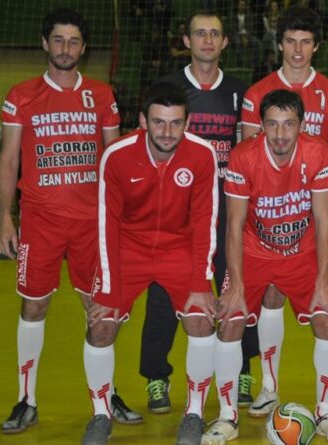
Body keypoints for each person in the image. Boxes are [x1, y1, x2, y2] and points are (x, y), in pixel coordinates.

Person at [0, 7, 141, 435]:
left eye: (74, 41)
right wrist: (6, 218)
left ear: (83, 47)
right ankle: (27, 399)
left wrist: (121, 222)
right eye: (58, 40)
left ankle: (105, 394)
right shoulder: (21, 95)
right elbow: (7, 160)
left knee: (100, 311)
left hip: (91, 224)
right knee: (34, 305)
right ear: (45, 44)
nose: (65, 48)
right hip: (40, 222)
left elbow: (115, 160)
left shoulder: (101, 94)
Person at [202, 89, 328, 445]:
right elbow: (234, 224)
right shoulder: (244, 157)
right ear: (261, 126)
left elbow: (324, 219)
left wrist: (322, 280)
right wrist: (235, 285)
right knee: (230, 324)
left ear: (302, 124)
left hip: (301, 252)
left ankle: (326, 412)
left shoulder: (317, 152)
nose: (281, 134)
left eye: (288, 125)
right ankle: (226, 417)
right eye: (272, 124)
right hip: (255, 251)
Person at [80, 82, 217, 445]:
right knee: (101, 326)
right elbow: (106, 223)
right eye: (158, 122)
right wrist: (107, 290)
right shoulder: (117, 154)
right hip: (128, 247)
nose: (167, 132)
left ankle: (194, 413)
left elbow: (206, 220)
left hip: (179, 247)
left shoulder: (203, 155)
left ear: (187, 123)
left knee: (201, 322)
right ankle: (100, 415)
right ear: (143, 120)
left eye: (175, 123)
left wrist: (201, 284)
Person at [238, 6, 328, 418]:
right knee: (268, 294)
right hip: (269, 219)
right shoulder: (257, 93)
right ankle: (269, 385)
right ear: (280, 44)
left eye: (306, 42)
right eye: (291, 41)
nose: (298, 50)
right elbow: (250, 162)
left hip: (314, 215)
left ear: (316, 46)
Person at [139, 9, 249, 415]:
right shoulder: (166, 87)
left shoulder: (240, 92)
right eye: (199, 33)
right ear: (186, 40)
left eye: (214, 34)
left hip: (226, 210)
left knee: (235, 284)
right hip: (174, 212)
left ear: (225, 42)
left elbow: (248, 153)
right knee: (164, 294)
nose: (206, 40)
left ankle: (241, 370)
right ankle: (156, 376)